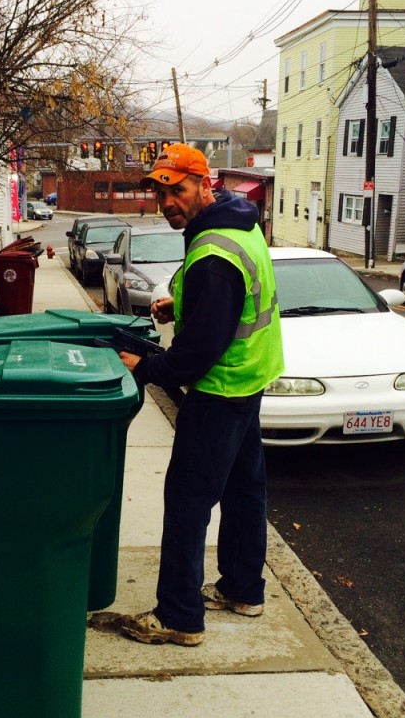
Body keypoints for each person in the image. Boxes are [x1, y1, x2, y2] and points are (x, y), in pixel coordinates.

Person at [117, 143, 284, 647]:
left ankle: (179, 616)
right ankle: (242, 589)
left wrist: (145, 367)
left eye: (178, 189)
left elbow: (196, 355)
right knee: (243, 490)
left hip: (219, 390)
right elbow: (226, 308)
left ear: (203, 184)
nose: (167, 200)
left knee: (188, 502)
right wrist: (180, 305)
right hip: (250, 380)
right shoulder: (240, 223)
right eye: (159, 191)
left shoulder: (212, 254)